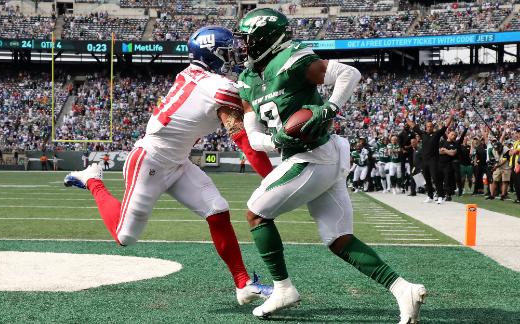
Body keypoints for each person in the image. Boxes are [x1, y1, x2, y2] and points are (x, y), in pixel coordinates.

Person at [235, 8, 426, 322]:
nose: (243, 47)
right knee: (338, 239)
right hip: (311, 154)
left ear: (267, 39)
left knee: (256, 213)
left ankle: (283, 288)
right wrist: (278, 141)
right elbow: (254, 136)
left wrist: (330, 108)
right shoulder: (246, 80)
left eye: (248, 40)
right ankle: (402, 288)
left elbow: (349, 73)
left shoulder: (291, 60)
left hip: (315, 153)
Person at [64, 26, 273, 305]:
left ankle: (243, 284)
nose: (233, 57)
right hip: (149, 159)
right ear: (211, 54)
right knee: (124, 237)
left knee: (218, 210)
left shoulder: (199, 77)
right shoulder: (217, 87)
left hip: (177, 161)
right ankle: (92, 178)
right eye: (227, 52)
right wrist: (273, 178)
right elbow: (244, 140)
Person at [406, 110, 454, 204]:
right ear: (426, 127)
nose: (429, 127)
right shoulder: (422, 134)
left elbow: (445, 126)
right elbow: (413, 125)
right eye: (428, 126)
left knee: (435, 178)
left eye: (431, 126)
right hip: (424, 160)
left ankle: (440, 196)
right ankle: (430, 196)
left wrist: (451, 116)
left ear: (433, 127)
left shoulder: (437, 134)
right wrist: (406, 118)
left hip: (433, 160)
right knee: (426, 179)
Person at [510, 128, 520, 203]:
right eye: (517, 132)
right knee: (516, 182)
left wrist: (514, 151)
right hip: (513, 164)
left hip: (518, 165)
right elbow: (510, 153)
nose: (518, 134)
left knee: (519, 182)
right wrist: (514, 151)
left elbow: (515, 151)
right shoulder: (515, 142)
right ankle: (518, 197)